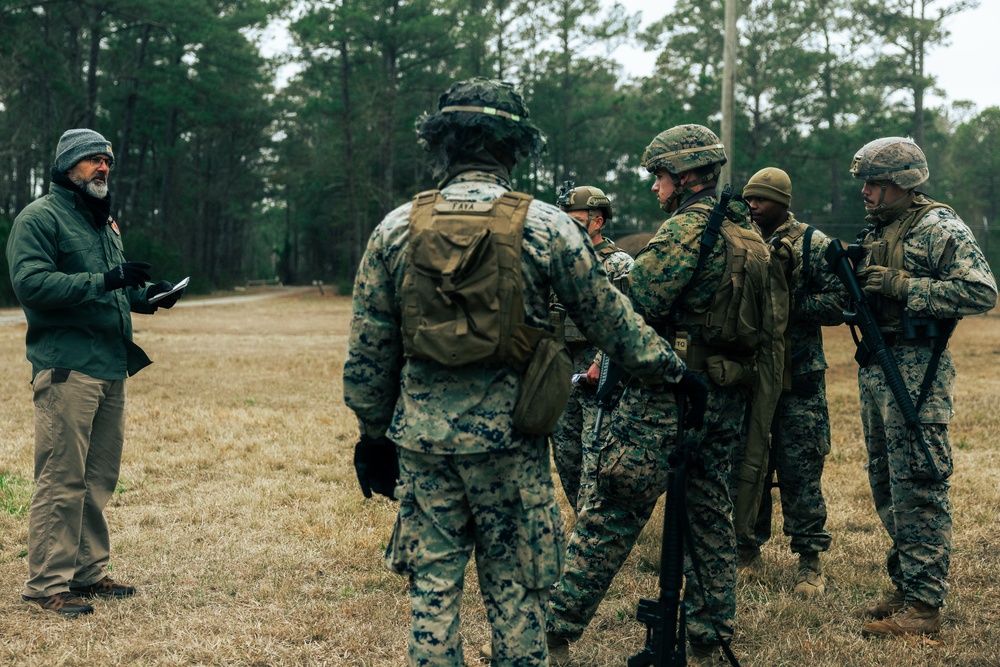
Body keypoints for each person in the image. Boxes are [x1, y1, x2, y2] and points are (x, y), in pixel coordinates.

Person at [342, 80, 705, 667]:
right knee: (517, 595)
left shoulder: (395, 228)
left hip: (425, 444)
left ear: (442, 145)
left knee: (432, 596)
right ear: (514, 147)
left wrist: (372, 436)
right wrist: (674, 372)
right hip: (513, 444)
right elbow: (612, 320)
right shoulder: (547, 227)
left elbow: (367, 354)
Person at [545, 124, 763, 666]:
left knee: (613, 509)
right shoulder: (747, 233)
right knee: (710, 516)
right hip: (722, 395)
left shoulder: (688, 231)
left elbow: (636, 302)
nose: (654, 187)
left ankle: (553, 634)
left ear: (686, 176)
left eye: (659, 176)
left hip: (666, 397)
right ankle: (709, 639)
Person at [7, 128, 185, 617]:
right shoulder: (40, 219)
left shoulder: (104, 222)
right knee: (61, 478)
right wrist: (105, 279)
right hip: (68, 368)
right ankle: (46, 584)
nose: (102, 167)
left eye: (107, 160)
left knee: (98, 477)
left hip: (110, 365)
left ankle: (86, 574)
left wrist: (147, 298)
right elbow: (32, 284)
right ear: (68, 167)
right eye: (91, 160)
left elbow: (114, 290)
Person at [837, 137, 996, 637]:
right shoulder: (883, 226)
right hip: (878, 364)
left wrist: (905, 286)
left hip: (916, 372)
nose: (865, 191)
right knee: (886, 481)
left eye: (875, 183)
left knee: (919, 484)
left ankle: (925, 607)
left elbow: (981, 291)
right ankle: (908, 584)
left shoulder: (938, 226)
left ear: (902, 184)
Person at [735, 167, 846, 596]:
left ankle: (809, 562)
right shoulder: (742, 240)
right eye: (749, 199)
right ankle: (746, 551)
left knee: (801, 469)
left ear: (782, 202)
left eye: (760, 199)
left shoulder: (812, 243)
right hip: (751, 377)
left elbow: (838, 302)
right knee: (750, 465)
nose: (752, 206)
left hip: (799, 376)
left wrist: (787, 301)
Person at [550, 184, 633, 513]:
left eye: (575, 219)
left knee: (596, 452)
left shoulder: (618, 265)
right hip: (560, 371)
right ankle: (583, 518)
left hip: (601, 372)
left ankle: (594, 529)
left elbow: (626, 322)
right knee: (567, 454)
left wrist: (601, 365)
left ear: (597, 222)